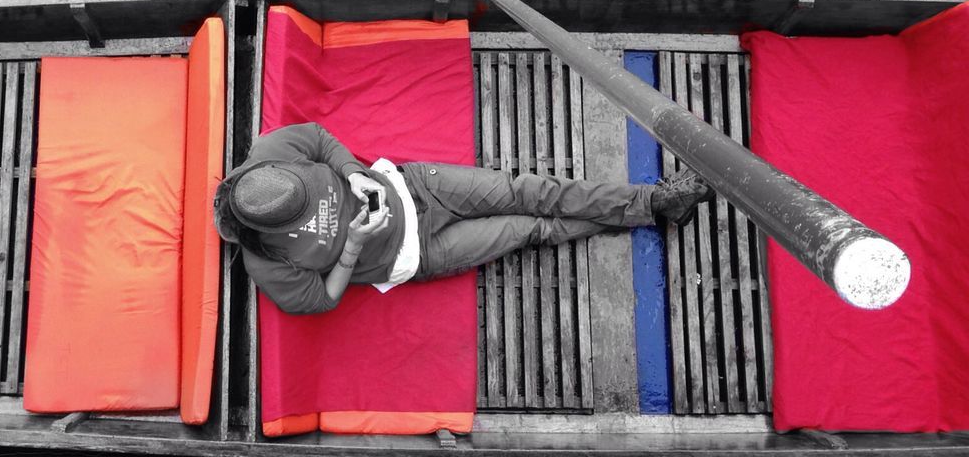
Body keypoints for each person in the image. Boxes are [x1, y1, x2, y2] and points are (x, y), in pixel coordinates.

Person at [213, 122, 711, 315]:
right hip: (419, 253)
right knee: (531, 229)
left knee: (529, 190)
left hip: (418, 183)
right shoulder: (267, 264)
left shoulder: (271, 154)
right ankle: (648, 212)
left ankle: (653, 203)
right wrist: (351, 246)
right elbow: (321, 300)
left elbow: (320, 140)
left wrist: (353, 172)